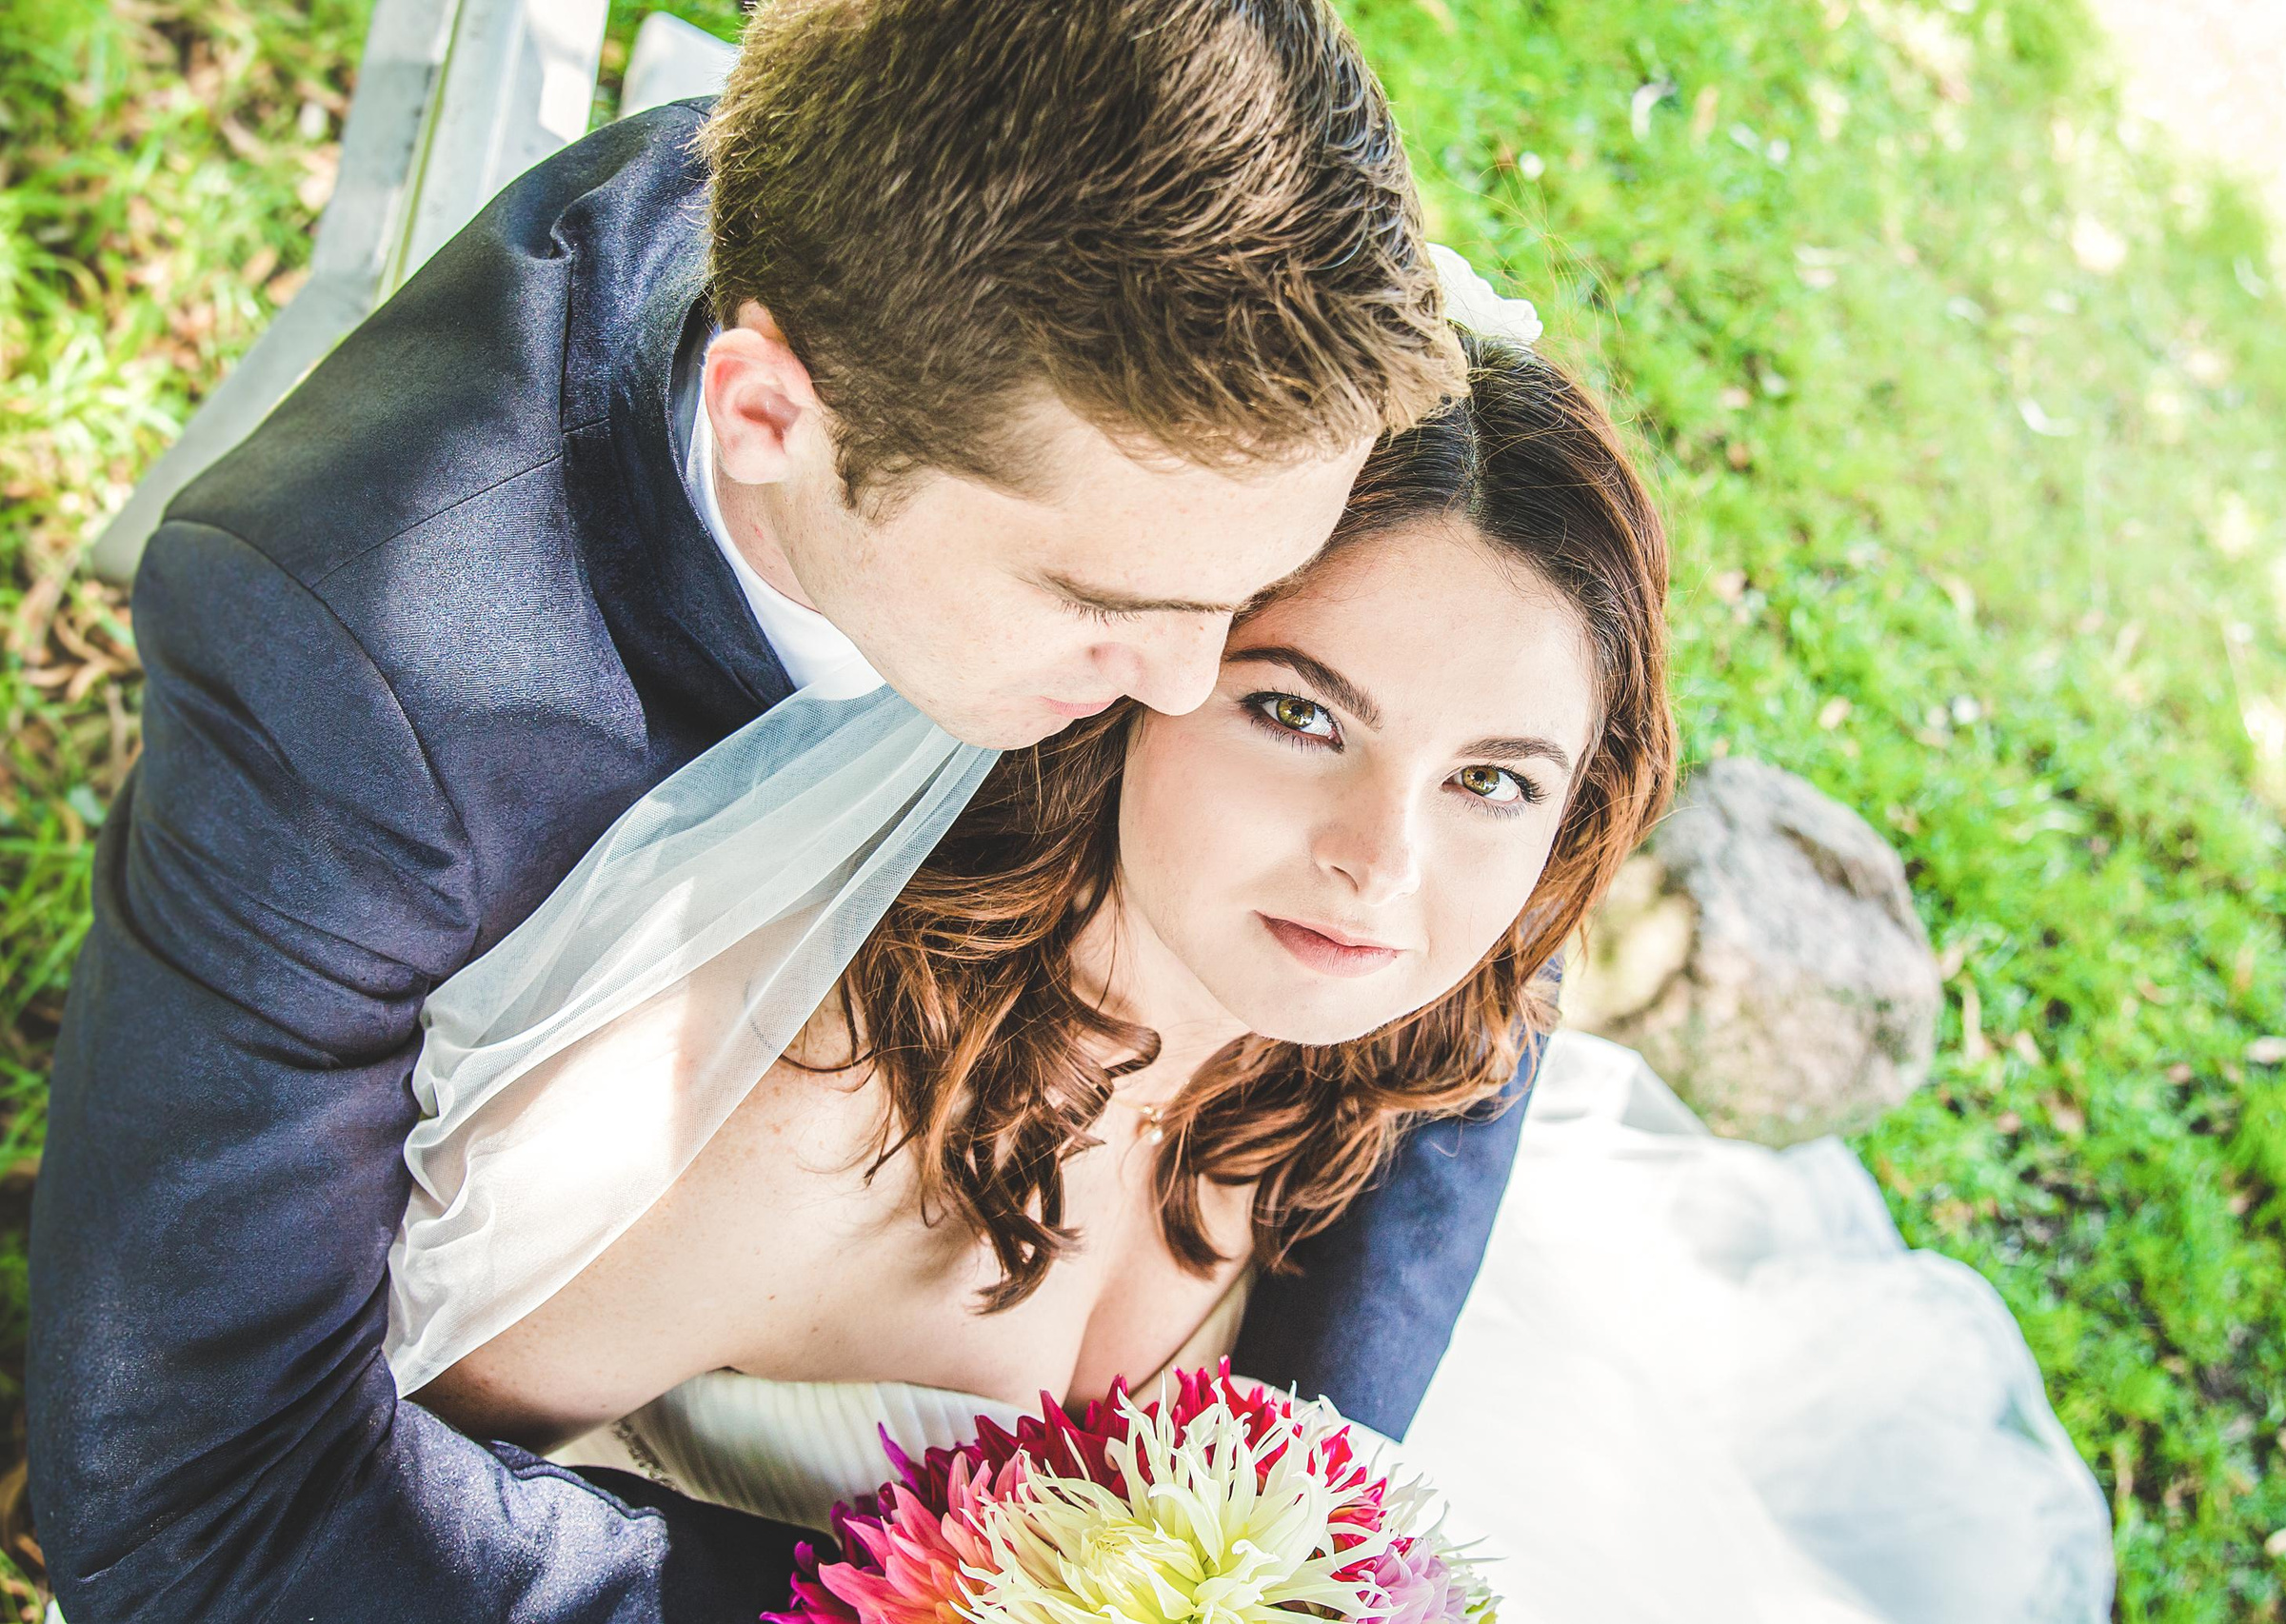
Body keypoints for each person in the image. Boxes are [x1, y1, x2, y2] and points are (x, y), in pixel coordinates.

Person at [26, 3, 1498, 1619]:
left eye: (1253, 600)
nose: (1190, 683)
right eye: (1104, 600)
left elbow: (1489, 829)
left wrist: (1298, 1511)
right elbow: (195, 1502)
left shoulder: (1224, 381)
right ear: (765, 420)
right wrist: (954, 1593)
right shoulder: (356, 685)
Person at [382, 335, 2115, 1621]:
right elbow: (379, 1499)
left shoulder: (1362, 1050)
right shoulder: (801, 1123)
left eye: (1492, 778)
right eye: (1299, 713)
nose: (1388, 863)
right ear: (1144, 660)